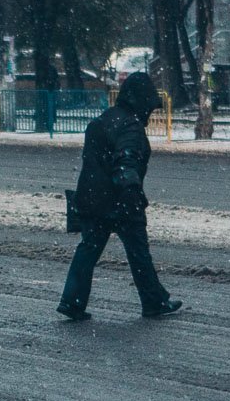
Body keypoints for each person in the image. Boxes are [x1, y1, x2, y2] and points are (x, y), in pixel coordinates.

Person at [58, 72, 182, 321]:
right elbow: (126, 162)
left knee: (88, 251)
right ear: (141, 103)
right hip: (120, 201)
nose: (151, 113)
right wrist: (131, 194)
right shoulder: (130, 126)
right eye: (150, 106)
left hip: (92, 198)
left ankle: (72, 301)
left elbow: (94, 164)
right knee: (138, 254)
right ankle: (153, 301)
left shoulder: (103, 120)